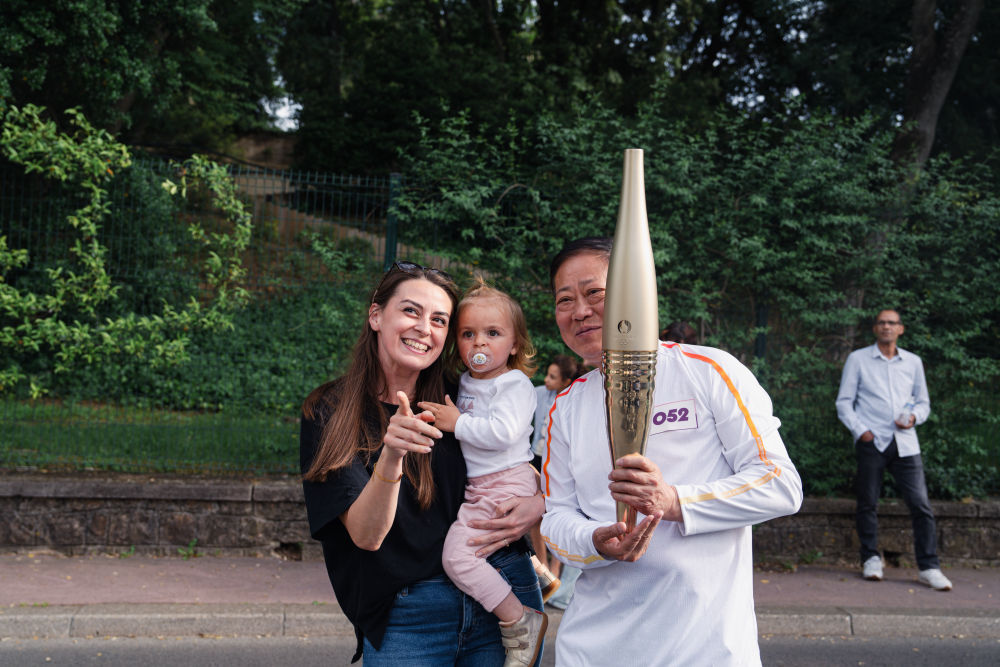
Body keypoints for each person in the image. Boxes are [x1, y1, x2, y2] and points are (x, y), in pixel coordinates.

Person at [538, 237, 803, 666]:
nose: (579, 311)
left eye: (594, 293)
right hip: (593, 650)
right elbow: (556, 520)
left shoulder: (709, 371)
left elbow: (780, 483)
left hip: (704, 649)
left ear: (633, 294)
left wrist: (674, 500)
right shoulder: (565, 407)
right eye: (564, 300)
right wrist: (595, 541)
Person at [299, 261, 545, 665]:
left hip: (502, 594)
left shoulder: (461, 399)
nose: (424, 328)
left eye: (439, 319)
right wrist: (392, 455)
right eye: (411, 311)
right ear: (376, 315)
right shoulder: (330, 411)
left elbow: (525, 464)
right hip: (407, 618)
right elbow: (365, 535)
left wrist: (539, 504)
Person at [418, 280, 555, 667]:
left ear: (514, 344)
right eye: (468, 334)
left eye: (492, 334)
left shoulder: (513, 384)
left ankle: (519, 621)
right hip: (482, 484)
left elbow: (504, 433)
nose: (479, 344)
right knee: (487, 541)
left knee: (458, 557)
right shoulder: (465, 381)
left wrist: (456, 423)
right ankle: (535, 572)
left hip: (504, 480)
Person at [835, 309, 952, 591]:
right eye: (882, 323)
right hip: (871, 440)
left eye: (892, 323)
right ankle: (871, 559)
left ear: (901, 329)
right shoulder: (858, 359)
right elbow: (844, 402)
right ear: (875, 328)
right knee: (867, 503)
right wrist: (861, 431)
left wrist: (914, 418)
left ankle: (929, 566)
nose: (887, 327)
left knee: (920, 504)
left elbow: (923, 403)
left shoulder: (913, 362)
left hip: (906, 443)